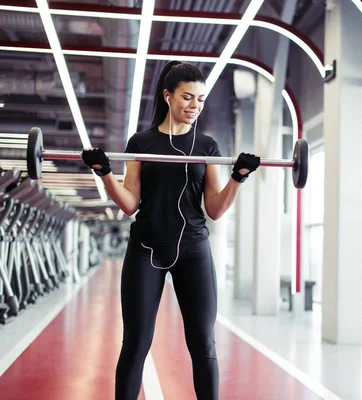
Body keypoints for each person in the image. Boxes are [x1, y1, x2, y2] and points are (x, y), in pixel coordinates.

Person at [80, 61, 260, 400]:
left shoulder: (207, 146)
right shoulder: (141, 142)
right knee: (136, 343)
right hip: (147, 248)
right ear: (167, 96)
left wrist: (238, 177)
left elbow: (215, 210)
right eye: (188, 97)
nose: (195, 106)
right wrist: (105, 173)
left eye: (201, 100)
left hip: (193, 249)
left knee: (203, 344)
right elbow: (129, 202)